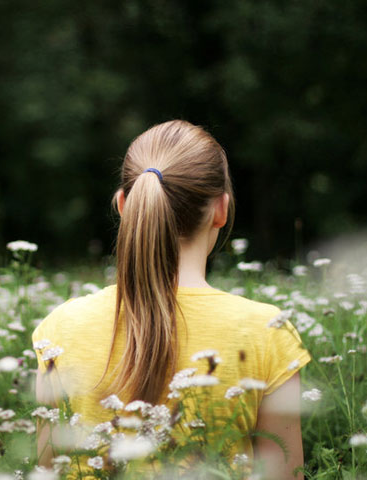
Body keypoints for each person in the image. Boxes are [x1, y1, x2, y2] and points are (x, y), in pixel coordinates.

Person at [32, 119, 311, 479]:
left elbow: (47, 470)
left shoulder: (60, 328)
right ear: (221, 210)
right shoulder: (269, 332)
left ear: (122, 205)